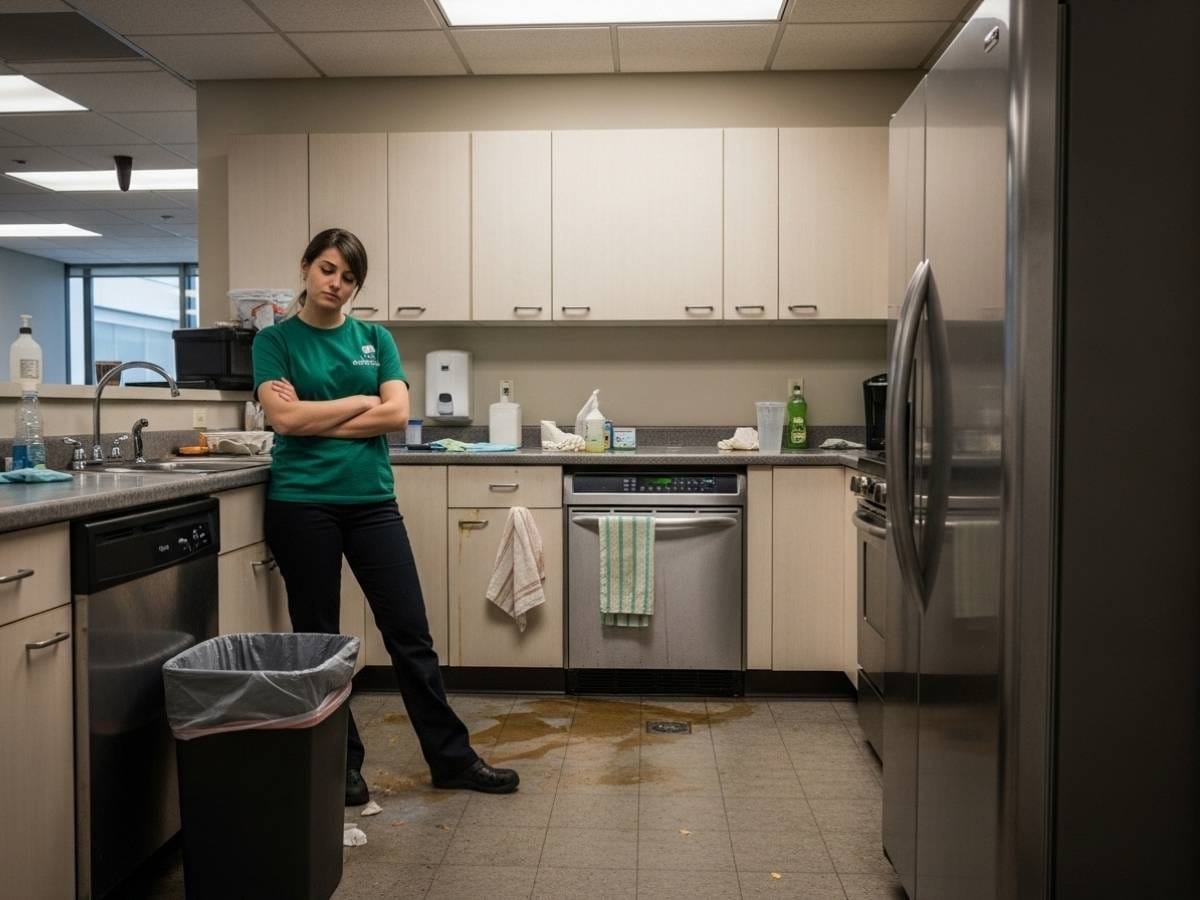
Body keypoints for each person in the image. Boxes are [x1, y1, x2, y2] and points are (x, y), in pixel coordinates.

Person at [252, 227, 519, 804]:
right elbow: (285, 422)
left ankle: (452, 758)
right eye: (327, 269)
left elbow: (398, 414)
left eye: (349, 277)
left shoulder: (375, 337)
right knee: (320, 643)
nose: (336, 284)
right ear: (305, 268)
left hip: (372, 502)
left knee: (410, 634)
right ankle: (340, 764)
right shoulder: (275, 342)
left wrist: (319, 413)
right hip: (302, 504)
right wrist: (359, 401)